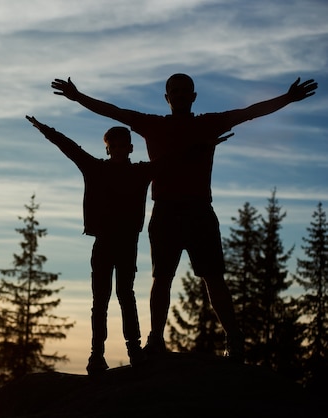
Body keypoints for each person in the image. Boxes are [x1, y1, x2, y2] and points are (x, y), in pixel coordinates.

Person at [51, 74, 318, 361]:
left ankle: (234, 339)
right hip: (165, 211)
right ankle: (155, 340)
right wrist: (78, 97)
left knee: (213, 278)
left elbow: (249, 113)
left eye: (184, 91)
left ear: (193, 96)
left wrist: (287, 98)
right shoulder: (153, 125)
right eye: (174, 91)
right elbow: (114, 111)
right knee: (161, 278)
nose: (179, 95)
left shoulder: (208, 123)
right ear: (167, 97)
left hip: (200, 210)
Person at [25, 115, 229, 374]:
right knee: (100, 300)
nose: (120, 150)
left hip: (126, 245)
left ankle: (133, 350)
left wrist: (203, 145)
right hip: (103, 244)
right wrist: (45, 129)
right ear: (108, 148)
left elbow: (173, 158)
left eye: (124, 146)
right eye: (115, 146)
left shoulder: (141, 171)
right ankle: (97, 355)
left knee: (125, 296)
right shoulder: (95, 168)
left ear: (130, 148)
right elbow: (70, 147)